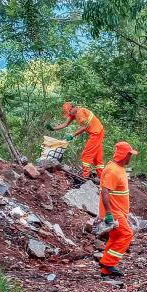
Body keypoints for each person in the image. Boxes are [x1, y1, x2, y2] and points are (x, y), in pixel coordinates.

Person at [97, 141, 138, 277]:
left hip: (119, 211)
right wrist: (109, 213)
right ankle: (108, 262)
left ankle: (106, 270)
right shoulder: (112, 170)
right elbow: (105, 192)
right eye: (129, 155)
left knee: (115, 238)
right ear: (123, 155)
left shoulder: (118, 168)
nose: (130, 157)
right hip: (114, 213)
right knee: (127, 234)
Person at [47, 102, 105, 179]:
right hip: (98, 132)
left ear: (72, 108)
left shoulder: (80, 113)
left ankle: (85, 176)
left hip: (96, 134)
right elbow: (65, 124)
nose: (69, 114)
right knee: (97, 158)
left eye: (69, 112)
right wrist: (53, 128)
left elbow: (84, 127)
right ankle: (102, 178)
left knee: (86, 155)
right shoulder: (74, 113)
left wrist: (72, 135)